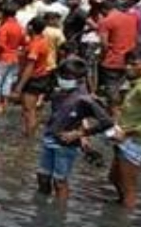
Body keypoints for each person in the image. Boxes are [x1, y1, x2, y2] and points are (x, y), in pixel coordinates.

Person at [34, 58, 114, 201]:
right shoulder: (60, 92)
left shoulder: (85, 99)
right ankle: (41, 212)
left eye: (67, 77)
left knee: (60, 181)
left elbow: (107, 122)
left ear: (79, 79)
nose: (62, 79)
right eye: (61, 76)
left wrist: (80, 134)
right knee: (42, 177)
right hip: (50, 138)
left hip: (66, 145)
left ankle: (59, 215)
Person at [111, 45, 141, 209]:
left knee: (129, 188)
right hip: (124, 137)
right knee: (114, 177)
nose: (128, 67)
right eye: (127, 63)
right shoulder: (134, 83)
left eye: (134, 64)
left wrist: (127, 131)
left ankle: (123, 223)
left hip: (135, 140)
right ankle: (122, 207)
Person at [13, 17, 55, 137]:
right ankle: (29, 134)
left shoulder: (35, 45)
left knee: (28, 110)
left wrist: (19, 86)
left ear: (31, 27)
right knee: (30, 110)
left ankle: (29, 138)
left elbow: (30, 66)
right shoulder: (41, 40)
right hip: (40, 77)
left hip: (33, 79)